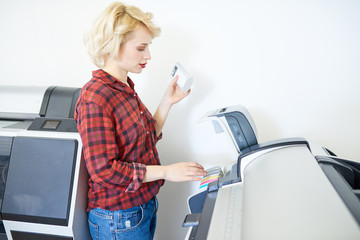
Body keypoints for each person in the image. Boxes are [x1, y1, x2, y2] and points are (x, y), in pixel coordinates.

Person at [74, 2, 206, 240]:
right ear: (114, 46)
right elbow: (104, 171)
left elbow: (142, 140)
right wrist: (167, 171)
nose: (148, 56)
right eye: (141, 48)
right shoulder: (95, 97)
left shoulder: (124, 86)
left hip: (141, 207)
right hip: (117, 218)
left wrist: (166, 102)